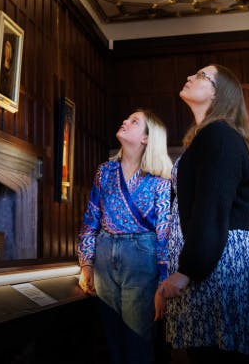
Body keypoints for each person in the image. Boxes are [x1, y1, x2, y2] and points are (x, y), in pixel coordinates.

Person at [154, 65, 249, 363]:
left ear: (217, 92)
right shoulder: (208, 136)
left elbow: (211, 209)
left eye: (200, 76)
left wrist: (188, 270)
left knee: (219, 357)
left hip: (220, 259)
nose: (188, 77)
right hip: (212, 256)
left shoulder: (219, 136)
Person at [77, 109, 174, 364]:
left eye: (134, 122)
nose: (124, 121)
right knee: (112, 340)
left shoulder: (160, 179)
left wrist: (163, 283)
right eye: (126, 119)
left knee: (137, 341)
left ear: (146, 138)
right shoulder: (105, 171)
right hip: (104, 256)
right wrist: (86, 264)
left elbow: (164, 232)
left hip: (142, 257)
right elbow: (90, 221)